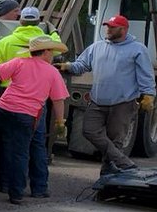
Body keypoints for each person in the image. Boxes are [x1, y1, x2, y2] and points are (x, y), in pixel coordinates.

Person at [0, 38, 70, 204]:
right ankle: (16, 194)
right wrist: (60, 122)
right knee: (20, 154)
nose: (52, 55)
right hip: (27, 115)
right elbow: (58, 100)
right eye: (51, 51)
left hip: (4, 107)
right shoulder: (52, 72)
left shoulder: (20, 62)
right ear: (45, 52)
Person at [0, 6, 62, 197]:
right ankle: (39, 188)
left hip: (10, 100)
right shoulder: (48, 49)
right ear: (39, 22)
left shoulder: (8, 42)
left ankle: (7, 185)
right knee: (36, 146)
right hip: (35, 106)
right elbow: (57, 46)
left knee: (10, 145)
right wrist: (54, 30)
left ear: (21, 21)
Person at [59, 14, 155, 174]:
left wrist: (148, 94)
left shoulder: (138, 49)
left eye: (112, 27)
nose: (108, 30)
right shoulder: (97, 47)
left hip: (123, 103)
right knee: (88, 130)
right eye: (107, 26)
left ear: (123, 29)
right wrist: (68, 66)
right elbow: (82, 64)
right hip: (98, 101)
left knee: (115, 140)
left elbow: (146, 74)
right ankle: (122, 162)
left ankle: (107, 176)